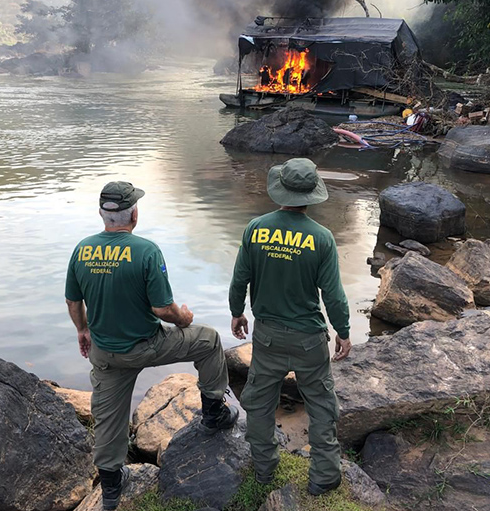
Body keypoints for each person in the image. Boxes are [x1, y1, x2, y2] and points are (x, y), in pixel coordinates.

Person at [65, 182, 239, 511]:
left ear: (102, 215)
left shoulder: (82, 249)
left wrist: (82, 330)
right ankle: (214, 413)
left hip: (106, 353)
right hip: (148, 345)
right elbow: (163, 309)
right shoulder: (146, 251)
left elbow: (73, 299)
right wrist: (184, 319)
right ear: (134, 213)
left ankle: (112, 487)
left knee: (108, 416)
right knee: (209, 340)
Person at [228, 158, 352, 496]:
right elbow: (334, 294)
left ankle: (265, 469)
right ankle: (324, 475)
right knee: (321, 404)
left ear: (279, 190)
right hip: (310, 339)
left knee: (259, 401)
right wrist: (342, 330)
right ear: (312, 195)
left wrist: (237, 312)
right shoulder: (322, 238)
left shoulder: (256, 228)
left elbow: (240, 279)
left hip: (267, 335)